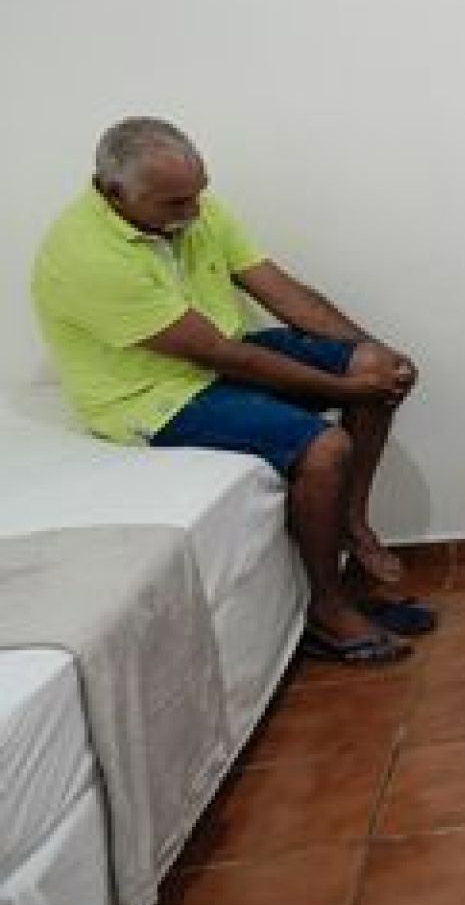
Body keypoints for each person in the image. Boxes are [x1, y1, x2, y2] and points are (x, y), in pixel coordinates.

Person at [32, 116, 431, 663]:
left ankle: (351, 526)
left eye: (198, 193)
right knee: (325, 448)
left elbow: (282, 292)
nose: (193, 211)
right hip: (150, 394)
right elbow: (220, 355)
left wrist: (378, 360)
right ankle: (327, 608)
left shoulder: (192, 206)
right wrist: (350, 390)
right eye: (175, 203)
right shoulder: (86, 256)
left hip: (219, 353)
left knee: (378, 366)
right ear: (112, 192)